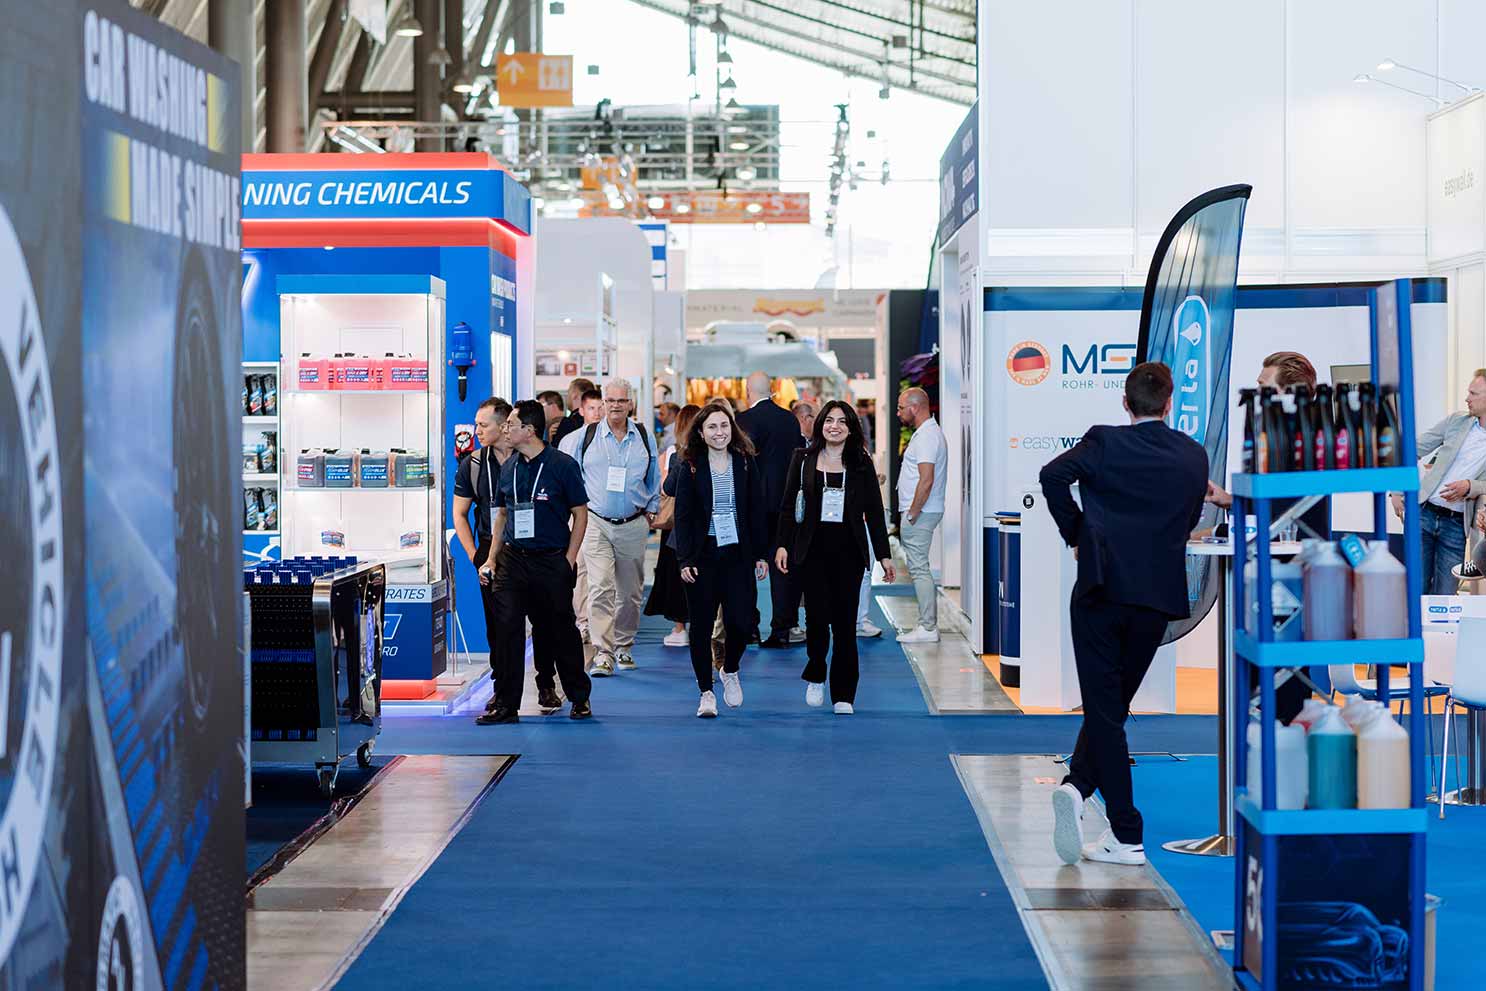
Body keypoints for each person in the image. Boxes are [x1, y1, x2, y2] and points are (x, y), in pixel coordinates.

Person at [1040, 362, 1207, 866]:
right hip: (1155, 599)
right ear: (1169, 403)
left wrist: (1077, 533)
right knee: (1110, 709)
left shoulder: (1105, 441)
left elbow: (1052, 476)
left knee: (1104, 711)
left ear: (1125, 403)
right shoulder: (1192, 454)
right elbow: (1191, 516)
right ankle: (1077, 786)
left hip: (1102, 588)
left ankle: (1127, 833)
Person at [1204, 350, 1326, 723]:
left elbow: (1288, 506)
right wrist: (1230, 500)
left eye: (1263, 386)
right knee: (1262, 663)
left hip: (1294, 565)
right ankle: (1264, 735)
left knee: (1286, 668)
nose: (1256, 392)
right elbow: (1272, 503)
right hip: (1271, 563)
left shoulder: (1308, 438)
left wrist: (1232, 511)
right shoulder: (1275, 435)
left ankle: (1285, 735)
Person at [477, 400, 593, 724]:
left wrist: (569, 559)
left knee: (561, 629)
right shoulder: (510, 467)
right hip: (514, 559)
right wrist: (492, 559)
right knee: (507, 628)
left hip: (552, 559)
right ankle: (506, 704)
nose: (505, 429)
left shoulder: (562, 466)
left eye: (511, 425)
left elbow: (580, 514)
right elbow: (502, 514)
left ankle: (578, 696)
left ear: (529, 430)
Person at [775, 401, 895, 714]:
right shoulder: (803, 459)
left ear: (851, 428)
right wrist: (782, 544)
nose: (835, 426)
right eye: (829, 420)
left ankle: (844, 693)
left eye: (842, 421)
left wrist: (884, 555)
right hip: (811, 553)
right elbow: (788, 506)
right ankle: (816, 671)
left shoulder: (861, 462)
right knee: (816, 621)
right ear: (820, 425)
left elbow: (874, 511)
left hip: (849, 554)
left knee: (845, 624)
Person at [454, 398, 572, 715]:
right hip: (493, 550)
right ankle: (502, 691)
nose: (478, 431)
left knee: (544, 621)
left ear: (506, 424)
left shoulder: (535, 460)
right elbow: (460, 514)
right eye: (476, 425)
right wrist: (477, 556)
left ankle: (546, 683)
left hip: (533, 549)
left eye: (484, 425)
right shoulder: (473, 465)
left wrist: (567, 557)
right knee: (501, 626)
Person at [674, 401, 769, 718]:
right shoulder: (690, 465)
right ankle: (706, 692)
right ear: (701, 432)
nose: (719, 432)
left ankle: (730, 668)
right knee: (701, 628)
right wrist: (685, 559)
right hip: (702, 556)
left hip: (738, 554)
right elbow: (683, 516)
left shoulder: (744, 462)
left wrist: (761, 554)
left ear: (732, 428)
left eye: (724, 425)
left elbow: (756, 509)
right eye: (712, 427)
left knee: (741, 623)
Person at [564, 378, 660, 677]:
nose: (616, 405)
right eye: (611, 400)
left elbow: (654, 475)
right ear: (604, 402)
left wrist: (652, 508)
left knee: (630, 592)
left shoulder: (643, 435)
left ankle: (623, 645)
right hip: (595, 522)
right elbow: (569, 477)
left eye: (621, 400)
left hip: (633, 522)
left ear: (630, 403)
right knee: (600, 587)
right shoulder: (584, 437)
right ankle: (603, 652)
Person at [1390, 368, 1486, 593]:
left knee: (1446, 595)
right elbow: (1410, 450)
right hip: (1423, 514)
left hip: (1456, 525)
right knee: (1415, 590)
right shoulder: (1456, 421)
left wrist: (1470, 486)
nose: (1467, 398)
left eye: (1473, 394)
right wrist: (1396, 490)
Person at [736, 371, 805, 647]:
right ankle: (782, 628)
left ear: (747, 391)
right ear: (772, 390)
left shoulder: (742, 420)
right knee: (782, 565)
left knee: (746, 566)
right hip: (784, 502)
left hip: (751, 504)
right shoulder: (789, 419)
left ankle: (750, 627)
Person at [894, 388, 948, 643]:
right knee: (919, 567)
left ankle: (927, 627)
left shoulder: (927, 436)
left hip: (921, 512)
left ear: (914, 408)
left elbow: (926, 480)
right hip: (922, 510)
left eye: (901, 407)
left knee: (918, 568)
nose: (898, 413)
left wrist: (913, 512)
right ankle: (927, 625)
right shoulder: (926, 434)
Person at [646, 403, 701, 647]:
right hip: (702, 528)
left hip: (677, 528)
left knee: (677, 578)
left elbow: (667, 487)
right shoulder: (709, 454)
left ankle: (680, 628)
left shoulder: (675, 453)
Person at [552, 376, 596, 447]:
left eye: (568, 393)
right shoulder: (597, 421)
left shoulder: (568, 423)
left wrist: (551, 438)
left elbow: (558, 451)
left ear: (574, 395)